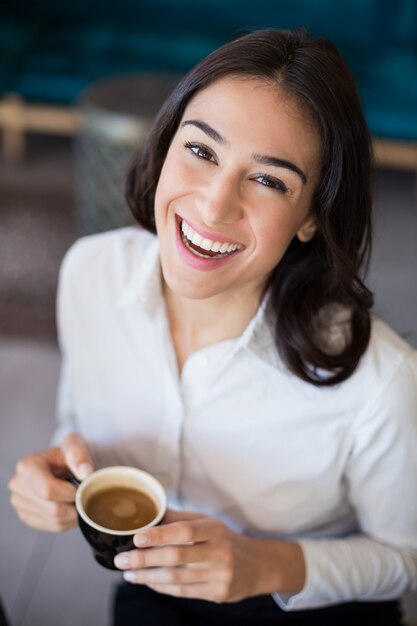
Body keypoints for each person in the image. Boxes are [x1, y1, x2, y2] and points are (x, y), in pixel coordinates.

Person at [8, 27, 417, 626]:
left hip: (310, 597)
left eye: (270, 180)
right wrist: (61, 472)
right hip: (155, 577)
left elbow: (405, 556)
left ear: (311, 218)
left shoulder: (381, 379)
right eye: (201, 151)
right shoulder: (91, 272)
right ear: (166, 143)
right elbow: (79, 416)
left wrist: (265, 567)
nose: (213, 206)